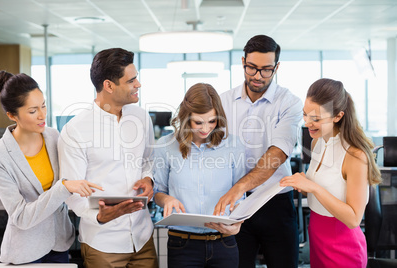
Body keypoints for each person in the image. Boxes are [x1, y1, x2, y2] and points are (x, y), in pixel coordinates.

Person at [57, 48, 158, 268]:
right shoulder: (75, 130)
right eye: (131, 81)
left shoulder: (141, 117)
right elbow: (71, 191)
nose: (138, 85)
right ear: (109, 85)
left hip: (142, 238)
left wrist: (148, 179)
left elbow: (148, 160)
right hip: (103, 243)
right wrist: (101, 217)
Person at [214, 35, 303, 268]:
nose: (257, 76)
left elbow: (277, 155)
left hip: (275, 202)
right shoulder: (223, 102)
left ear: (277, 67)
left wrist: (239, 187)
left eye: (266, 70)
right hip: (235, 204)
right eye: (252, 68)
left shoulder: (289, 102)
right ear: (243, 62)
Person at [0, 71, 102, 264]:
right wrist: (64, 187)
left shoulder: (53, 136)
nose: (42, 115)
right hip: (26, 251)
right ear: (12, 115)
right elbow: (20, 217)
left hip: (59, 242)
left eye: (43, 106)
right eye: (33, 110)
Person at [280, 78, 382, 267]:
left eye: (316, 119)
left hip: (343, 246)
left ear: (337, 116)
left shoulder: (355, 155)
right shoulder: (316, 142)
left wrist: (314, 188)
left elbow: (353, 218)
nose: (308, 123)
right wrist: (303, 184)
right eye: (305, 115)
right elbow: (327, 189)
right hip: (317, 239)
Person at [153, 83, 246, 268]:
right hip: (182, 246)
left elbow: (240, 195)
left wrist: (239, 222)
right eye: (198, 122)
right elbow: (157, 192)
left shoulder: (234, 145)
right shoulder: (166, 146)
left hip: (224, 243)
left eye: (212, 121)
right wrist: (166, 200)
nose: (206, 128)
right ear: (186, 118)